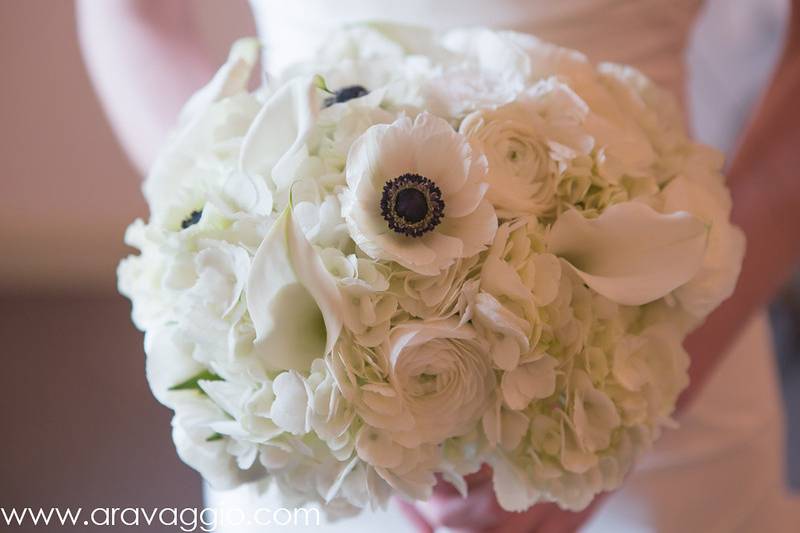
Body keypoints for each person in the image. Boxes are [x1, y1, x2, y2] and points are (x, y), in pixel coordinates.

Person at [78, 1, 800, 531]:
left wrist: (649, 389)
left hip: (659, 380)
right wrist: (244, 227)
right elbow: (130, 14)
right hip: (317, 418)